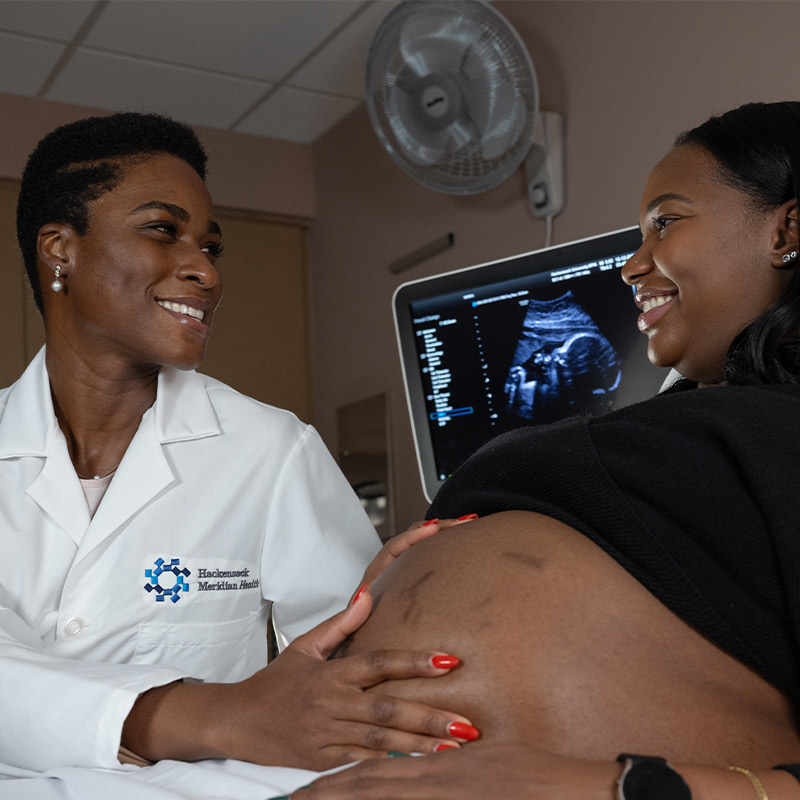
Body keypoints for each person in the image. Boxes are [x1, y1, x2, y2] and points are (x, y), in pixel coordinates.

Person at [293, 101, 800, 800]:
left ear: (787, 228)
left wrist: (621, 786)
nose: (633, 264)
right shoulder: (687, 425)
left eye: (666, 221)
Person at [0, 112, 476, 781]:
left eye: (211, 247)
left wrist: (394, 611)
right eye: (163, 231)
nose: (205, 272)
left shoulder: (271, 449)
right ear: (60, 249)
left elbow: (350, 684)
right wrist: (223, 714)